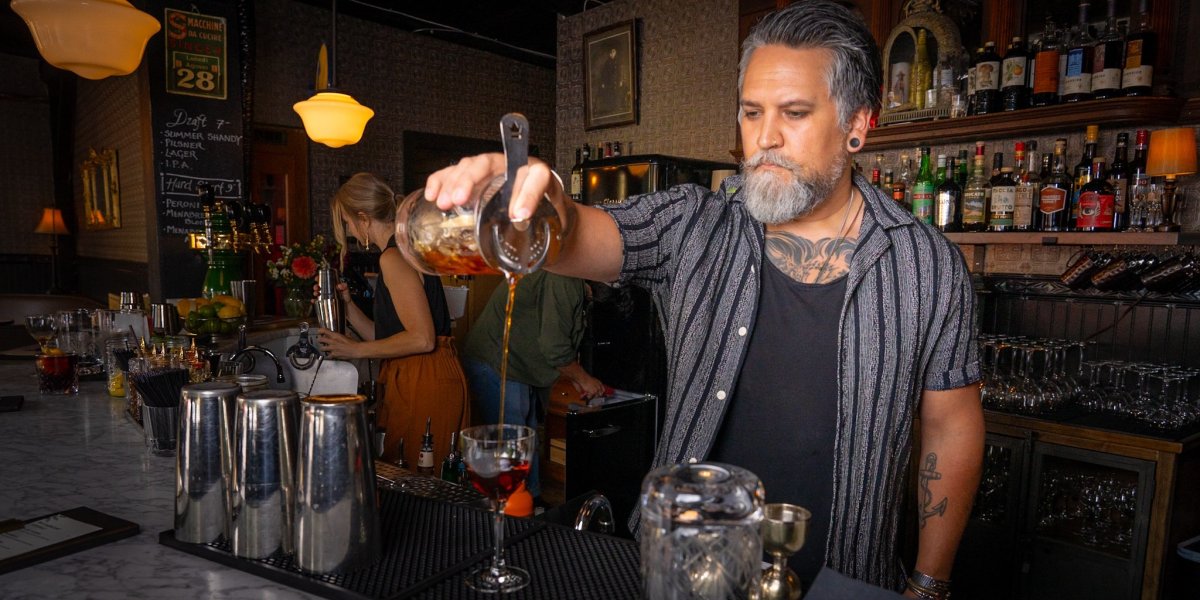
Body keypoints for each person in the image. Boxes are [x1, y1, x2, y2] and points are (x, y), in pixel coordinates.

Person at [424, 1, 983, 597]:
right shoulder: (693, 224)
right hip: (681, 573)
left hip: (843, 580)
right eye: (751, 112)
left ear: (858, 126)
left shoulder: (925, 265)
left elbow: (950, 426)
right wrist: (537, 198)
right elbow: (578, 233)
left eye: (793, 113)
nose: (764, 138)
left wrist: (929, 582)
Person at [317, 173, 470, 469]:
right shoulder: (405, 250)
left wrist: (355, 350)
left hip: (425, 377)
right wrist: (347, 306)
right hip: (425, 373)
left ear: (363, 218)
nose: (348, 230)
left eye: (347, 221)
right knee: (421, 479)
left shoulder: (392, 258)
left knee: (419, 484)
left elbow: (422, 338)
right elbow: (388, 336)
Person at [461, 270, 606, 505]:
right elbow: (555, 348)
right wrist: (584, 379)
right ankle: (513, 511)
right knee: (514, 436)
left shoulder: (569, 276)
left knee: (525, 432)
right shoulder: (565, 278)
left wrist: (577, 377)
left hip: (515, 362)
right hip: (496, 360)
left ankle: (532, 501)